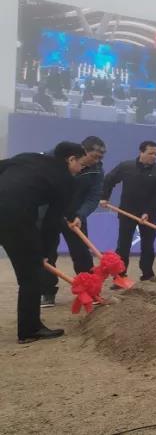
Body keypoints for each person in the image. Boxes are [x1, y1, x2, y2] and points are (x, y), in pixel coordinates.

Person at [0, 141, 85, 343]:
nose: (81, 169)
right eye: (81, 164)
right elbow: (51, 221)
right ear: (71, 159)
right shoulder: (66, 180)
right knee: (31, 275)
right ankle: (30, 330)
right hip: (16, 217)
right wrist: (44, 253)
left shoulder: (28, 156)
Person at [41, 136, 107, 307]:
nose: (97, 161)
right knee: (47, 253)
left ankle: (90, 290)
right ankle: (48, 292)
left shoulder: (97, 170)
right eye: (94, 156)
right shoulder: (54, 158)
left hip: (74, 216)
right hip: (50, 213)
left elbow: (93, 197)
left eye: (100, 158)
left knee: (82, 253)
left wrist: (80, 215)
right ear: (82, 151)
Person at [101, 141, 156, 281]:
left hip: (149, 215)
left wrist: (147, 212)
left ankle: (147, 275)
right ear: (141, 152)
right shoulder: (126, 166)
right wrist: (104, 197)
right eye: (151, 153)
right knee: (123, 245)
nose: (154, 156)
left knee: (147, 246)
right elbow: (109, 180)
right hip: (127, 212)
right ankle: (120, 276)